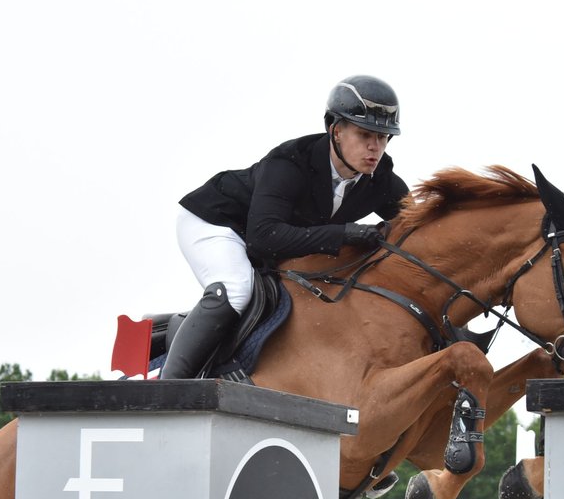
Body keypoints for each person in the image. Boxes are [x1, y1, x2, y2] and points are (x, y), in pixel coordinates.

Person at [161, 74, 410, 379]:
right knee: (237, 289)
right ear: (336, 131)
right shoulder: (289, 163)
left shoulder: (381, 180)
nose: (375, 148)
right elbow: (263, 238)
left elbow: (418, 229)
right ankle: (169, 386)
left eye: (383, 137)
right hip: (217, 222)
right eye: (364, 135)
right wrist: (347, 234)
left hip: (269, 237)